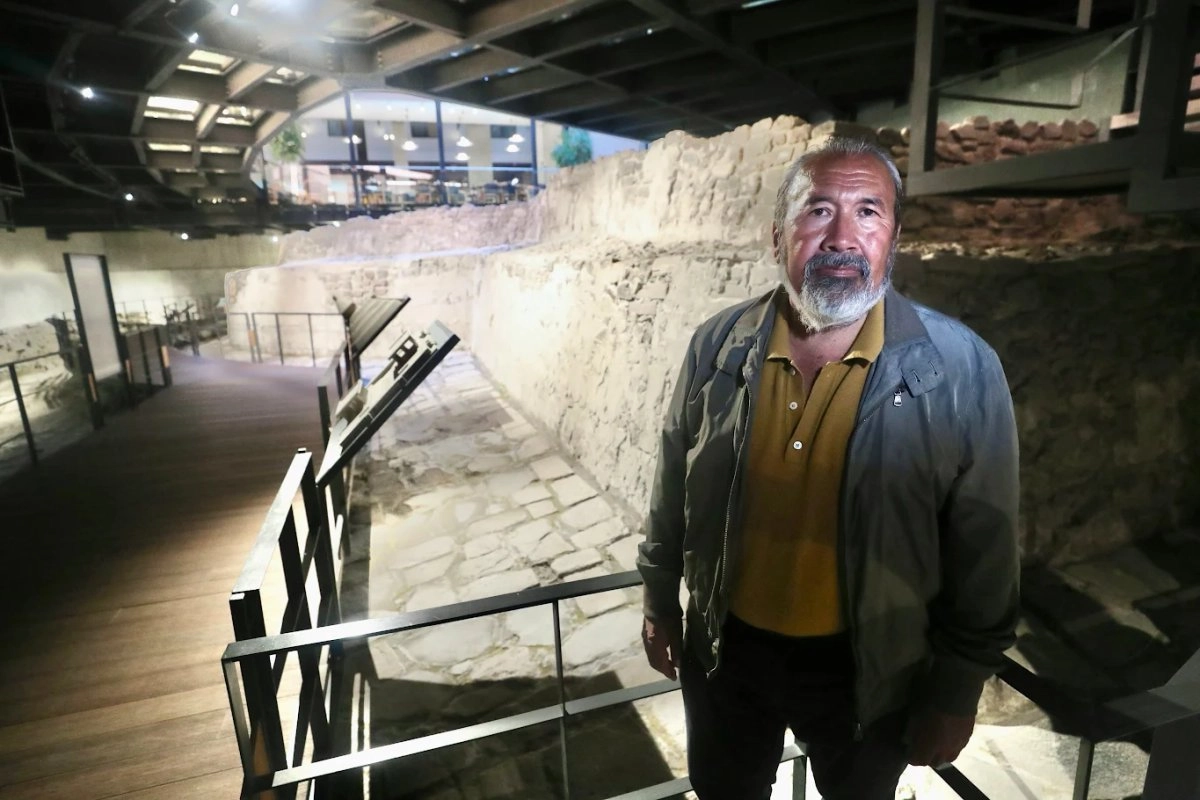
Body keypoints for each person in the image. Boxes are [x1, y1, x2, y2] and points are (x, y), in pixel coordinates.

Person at [636, 137, 1020, 800]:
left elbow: (986, 543)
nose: (843, 236)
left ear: (893, 237)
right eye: (818, 212)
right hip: (726, 653)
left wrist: (956, 689)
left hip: (872, 671)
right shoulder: (717, 347)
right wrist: (658, 596)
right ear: (777, 234)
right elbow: (674, 477)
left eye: (868, 213)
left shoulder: (961, 369)